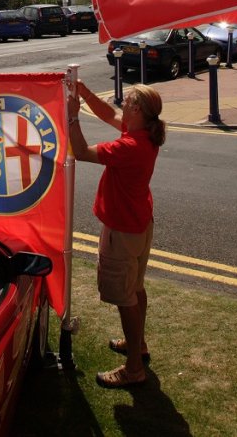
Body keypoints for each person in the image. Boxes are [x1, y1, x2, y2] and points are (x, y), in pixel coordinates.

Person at [67, 81, 166, 389]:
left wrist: (72, 117)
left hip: (122, 230)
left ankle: (134, 368)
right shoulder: (144, 134)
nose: (122, 104)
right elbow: (109, 114)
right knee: (135, 288)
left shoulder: (128, 147)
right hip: (139, 224)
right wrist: (83, 92)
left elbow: (80, 152)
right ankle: (139, 344)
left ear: (137, 110)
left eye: (128, 101)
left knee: (125, 299)